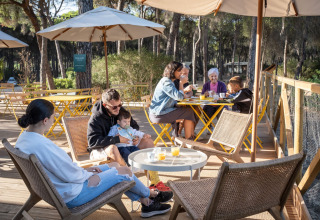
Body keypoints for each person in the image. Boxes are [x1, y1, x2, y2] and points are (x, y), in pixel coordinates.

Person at [15, 99, 173, 218]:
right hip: (73, 194)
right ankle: (150, 196)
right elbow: (70, 174)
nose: (53, 121)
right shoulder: (43, 146)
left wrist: (86, 170)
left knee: (114, 167)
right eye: (53, 118)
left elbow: (64, 171)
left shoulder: (24, 139)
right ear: (45, 120)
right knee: (124, 171)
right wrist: (88, 174)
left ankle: (146, 202)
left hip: (59, 188)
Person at [87, 89, 168, 191]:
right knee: (113, 148)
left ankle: (155, 182)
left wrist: (135, 137)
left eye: (120, 105)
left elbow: (134, 126)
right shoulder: (96, 118)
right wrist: (116, 139)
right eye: (114, 107)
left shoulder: (120, 110)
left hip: (124, 144)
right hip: (100, 148)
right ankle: (130, 182)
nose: (118, 109)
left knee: (148, 142)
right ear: (105, 105)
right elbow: (93, 142)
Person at [149, 61, 196, 139]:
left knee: (188, 111)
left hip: (162, 112)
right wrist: (181, 83)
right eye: (179, 70)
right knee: (189, 112)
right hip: (158, 114)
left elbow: (176, 97)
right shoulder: (166, 82)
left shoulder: (169, 81)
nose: (181, 73)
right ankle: (189, 141)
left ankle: (184, 138)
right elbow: (179, 97)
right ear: (172, 71)